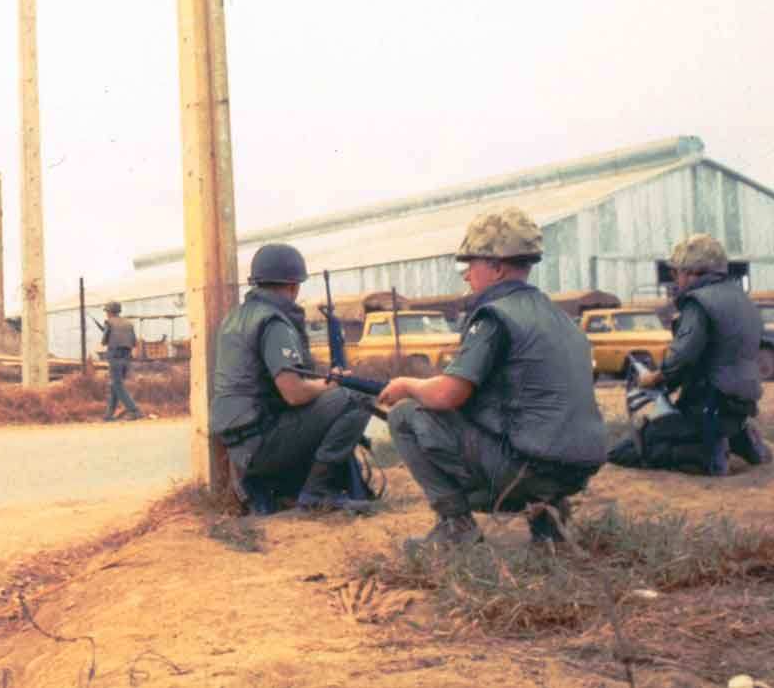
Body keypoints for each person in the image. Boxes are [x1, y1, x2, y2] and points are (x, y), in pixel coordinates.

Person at [378, 206, 606, 548]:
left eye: (471, 265)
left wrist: (406, 384)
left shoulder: (495, 316)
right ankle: (548, 519)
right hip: (575, 472)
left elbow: (448, 395)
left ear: (497, 267)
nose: (466, 276)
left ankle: (456, 527)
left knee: (404, 416)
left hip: (525, 471)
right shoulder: (560, 318)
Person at [210, 243, 377, 514]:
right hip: (261, 445)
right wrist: (332, 383)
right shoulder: (273, 321)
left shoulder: (235, 317)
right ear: (293, 285)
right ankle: (317, 492)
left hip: (242, 447)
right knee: (357, 398)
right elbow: (294, 393)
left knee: (336, 400)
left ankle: (299, 488)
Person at [608, 234, 770, 474]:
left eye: (676, 273)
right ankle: (741, 438)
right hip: (740, 407)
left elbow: (681, 359)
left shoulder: (699, 303)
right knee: (708, 424)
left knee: (626, 450)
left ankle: (706, 455)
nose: (675, 280)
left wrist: (653, 378)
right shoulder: (743, 300)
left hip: (707, 406)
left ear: (692, 272)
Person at [101, 300, 143, 422]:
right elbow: (134, 342)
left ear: (109, 312)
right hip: (126, 358)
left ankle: (134, 411)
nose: (106, 314)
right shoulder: (129, 323)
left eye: (106, 311)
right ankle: (109, 415)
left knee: (117, 385)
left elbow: (104, 341)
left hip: (115, 356)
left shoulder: (109, 323)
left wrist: (107, 333)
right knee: (115, 385)